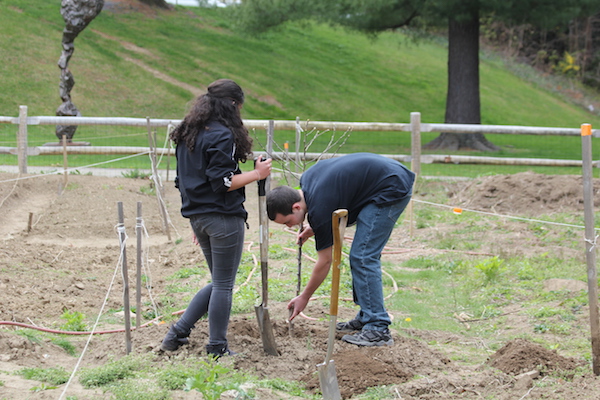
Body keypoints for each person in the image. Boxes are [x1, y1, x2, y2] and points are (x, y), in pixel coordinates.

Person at [161, 79, 272, 357]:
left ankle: (177, 333)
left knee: (219, 282)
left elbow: (183, 180)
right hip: (222, 217)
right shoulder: (222, 135)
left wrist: (198, 218)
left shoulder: (190, 132)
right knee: (223, 284)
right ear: (233, 105)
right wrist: (258, 175)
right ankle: (217, 346)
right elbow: (222, 182)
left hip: (198, 217)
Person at [266, 153, 414, 347]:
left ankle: (378, 328)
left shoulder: (320, 209)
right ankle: (366, 316)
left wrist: (305, 296)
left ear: (295, 207)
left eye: (288, 222)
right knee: (361, 255)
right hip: (384, 177)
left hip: (390, 187)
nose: (291, 227)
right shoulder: (307, 182)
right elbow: (338, 197)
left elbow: (325, 261)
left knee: (363, 256)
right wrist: (316, 227)